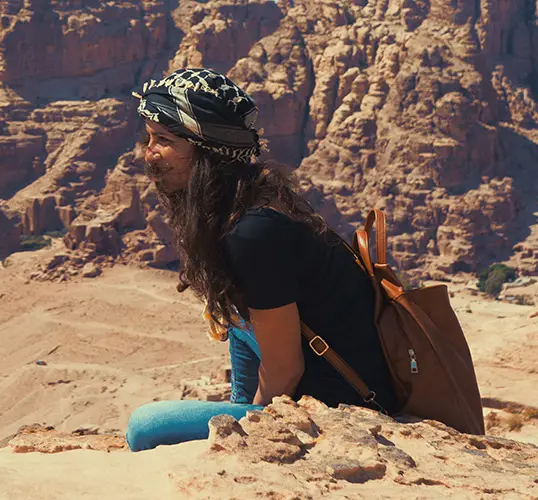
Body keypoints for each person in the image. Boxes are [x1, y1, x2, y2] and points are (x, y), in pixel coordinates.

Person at [122, 69, 400, 452]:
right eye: (149, 138)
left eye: (164, 140)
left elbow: (286, 369)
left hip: (338, 403)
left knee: (144, 427)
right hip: (307, 380)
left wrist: (250, 431)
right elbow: (247, 322)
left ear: (208, 150)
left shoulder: (253, 233)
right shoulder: (242, 204)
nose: (148, 152)